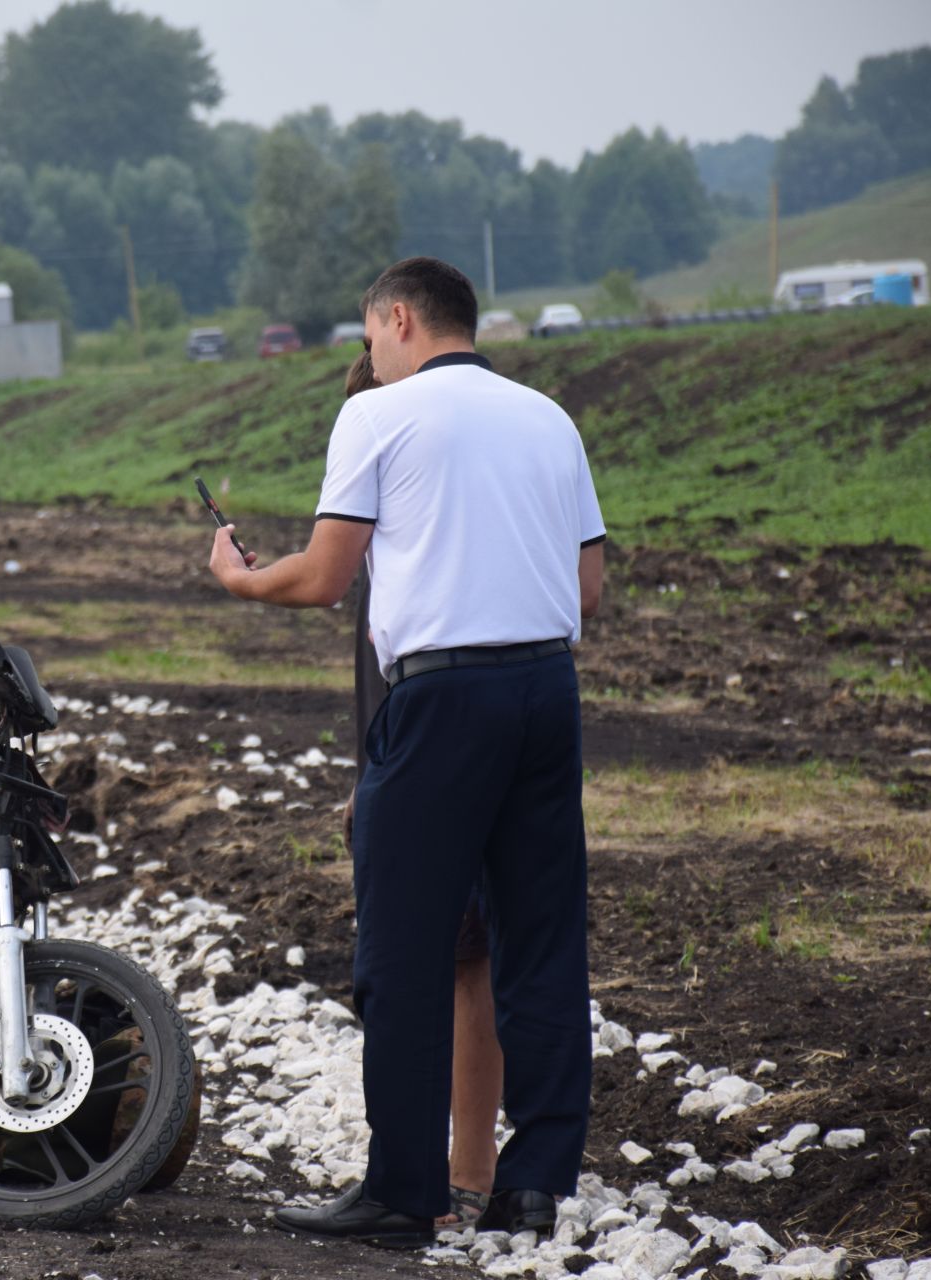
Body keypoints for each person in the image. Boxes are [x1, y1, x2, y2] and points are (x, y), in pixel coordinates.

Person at [208, 257, 604, 1248]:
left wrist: (242, 580)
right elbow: (588, 587)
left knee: (404, 948)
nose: (371, 355)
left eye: (372, 336)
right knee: (541, 943)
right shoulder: (549, 416)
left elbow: (328, 578)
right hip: (547, 688)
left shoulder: (378, 416)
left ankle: (403, 1187)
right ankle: (535, 1182)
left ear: (399, 318)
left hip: (441, 698)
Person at [338, 349, 504, 1231]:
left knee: (460, 962)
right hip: (415, 753)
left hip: (438, 753)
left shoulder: (421, 524)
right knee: (446, 962)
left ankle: (463, 1176)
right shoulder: (412, 519)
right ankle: (438, 1175)